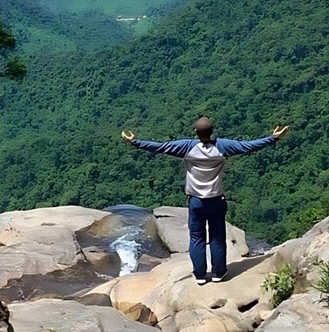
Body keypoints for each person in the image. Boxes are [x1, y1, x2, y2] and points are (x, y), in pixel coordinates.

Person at [121, 117, 290, 285]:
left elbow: (161, 147)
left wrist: (134, 141)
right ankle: (219, 272)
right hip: (216, 200)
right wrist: (274, 138)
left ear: (196, 132)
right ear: (212, 132)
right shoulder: (222, 146)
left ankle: (200, 275)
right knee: (217, 237)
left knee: (197, 238)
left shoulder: (187, 147)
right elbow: (248, 146)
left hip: (196, 202)